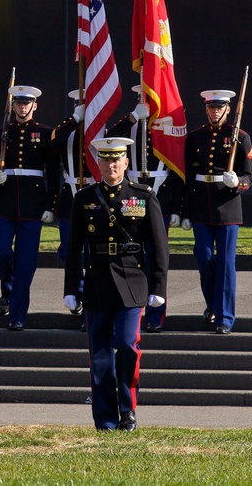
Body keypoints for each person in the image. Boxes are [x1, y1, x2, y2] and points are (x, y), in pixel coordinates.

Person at [64, 137, 168, 431]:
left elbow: (159, 246)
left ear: (125, 162)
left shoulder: (143, 196)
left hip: (132, 282)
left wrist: (158, 288)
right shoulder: (84, 199)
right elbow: (73, 248)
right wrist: (71, 288)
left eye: (116, 159)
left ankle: (128, 409)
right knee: (99, 355)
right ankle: (106, 419)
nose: (111, 165)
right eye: (105, 159)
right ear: (98, 163)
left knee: (126, 344)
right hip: (97, 283)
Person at [106, 86, 183, 333]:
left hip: (160, 196)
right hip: (132, 198)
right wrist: (133, 117)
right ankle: (133, 309)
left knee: (157, 256)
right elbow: (108, 139)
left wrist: (179, 209)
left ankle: (155, 313)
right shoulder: (133, 122)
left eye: (150, 97)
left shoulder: (169, 126)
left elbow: (179, 170)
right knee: (133, 256)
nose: (147, 101)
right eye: (143, 96)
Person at [181, 90, 252, 335]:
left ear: (228, 109)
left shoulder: (240, 138)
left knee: (225, 264)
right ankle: (212, 304)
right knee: (203, 257)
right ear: (206, 109)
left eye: (219, 107)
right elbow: (189, 177)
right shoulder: (194, 138)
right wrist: (185, 211)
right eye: (211, 107)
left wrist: (238, 182)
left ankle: (225, 317)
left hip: (227, 206)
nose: (215, 111)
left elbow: (248, 177)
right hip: (201, 204)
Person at [0, 85, 58, 331]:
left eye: (27, 103)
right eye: (18, 103)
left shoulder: (45, 133)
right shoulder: (2, 133)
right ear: (13, 105)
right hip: (5, 203)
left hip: (33, 205)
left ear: (34, 106)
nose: (22, 107)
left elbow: (54, 174)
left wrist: (51, 205)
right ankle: (7, 289)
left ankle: (17, 314)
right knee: (1, 252)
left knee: (26, 262)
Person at [49, 90, 90, 315]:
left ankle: (88, 295)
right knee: (69, 251)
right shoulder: (66, 129)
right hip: (71, 194)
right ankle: (77, 289)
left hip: (95, 194)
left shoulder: (100, 129)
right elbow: (53, 144)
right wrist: (75, 119)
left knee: (92, 252)